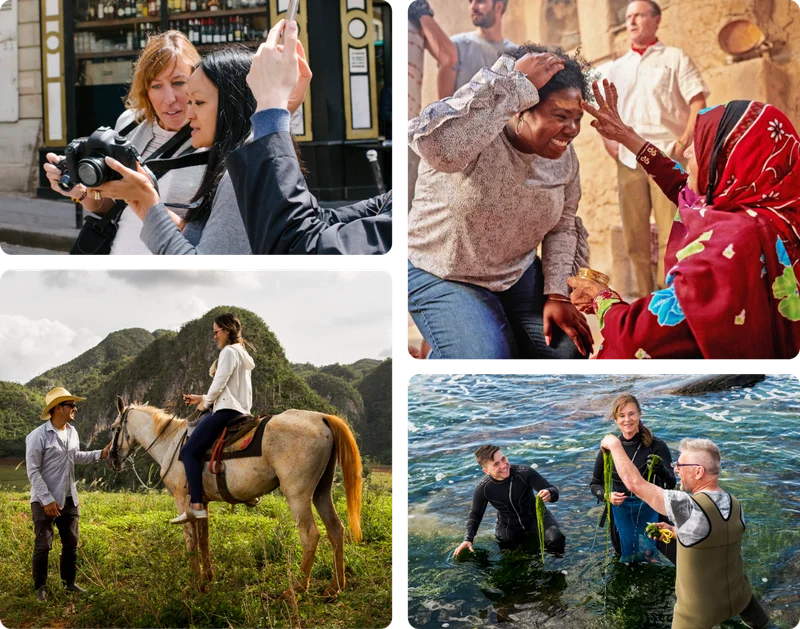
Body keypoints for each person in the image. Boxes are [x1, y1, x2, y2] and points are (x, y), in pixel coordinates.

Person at [570, 82, 800, 361]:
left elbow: (642, 337)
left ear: (725, 161)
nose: (688, 151)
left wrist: (602, 300)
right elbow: (685, 188)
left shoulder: (737, 238)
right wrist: (627, 136)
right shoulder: (775, 208)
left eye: (701, 144)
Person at [405, 45, 595, 361]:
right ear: (520, 108)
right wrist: (512, 82)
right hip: (441, 271)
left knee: (566, 355)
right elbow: (434, 145)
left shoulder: (564, 160)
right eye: (561, 116)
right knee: (486, 363)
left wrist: (557, 293)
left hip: (515, 274)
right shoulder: (475, 130)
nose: (572, 130)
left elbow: (563, 225)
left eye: (577, 119)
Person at [43, 31, 204, 256]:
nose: (169, 98)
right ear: (145, 90)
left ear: (197, 82)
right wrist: (80, 190)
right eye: (156, 86)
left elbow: (207, 239)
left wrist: (146, 199)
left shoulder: (211, 137)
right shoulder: (130, 122)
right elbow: (110, 207)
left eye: (178, 82)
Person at [96, 46, 265, 256]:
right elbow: (202, 238)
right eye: (156, 85)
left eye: (199, 102)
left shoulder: (242, 171)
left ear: (232, 103)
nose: (189, 112)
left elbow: (206, 271)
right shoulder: (129, 123)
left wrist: (150, 204)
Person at [601, 435, 769, 629]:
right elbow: (716, 538)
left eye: (681, 465)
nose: (675, 469)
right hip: (741, 598)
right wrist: (676, 531)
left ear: (698, 471)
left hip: (697, 616)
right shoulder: (736, 504)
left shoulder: (688, 506)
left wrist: (614, 444)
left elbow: (635, 484)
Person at [603, 0, 709, 295]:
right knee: (635, 235)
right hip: (627, 158)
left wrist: (685, 138)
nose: (632, 22)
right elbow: (605, 109)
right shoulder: (616, 67)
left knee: (670, 230)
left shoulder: (675, 58)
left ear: (656, 20)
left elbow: (697, 100)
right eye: (628, 17)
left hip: (665, 154)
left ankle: (671, 294)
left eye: (638, 15)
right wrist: (610, 141)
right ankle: (646, 298)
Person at [25, 387, 111, 601]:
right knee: (43, 545)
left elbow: (75, 456)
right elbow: (33, 470)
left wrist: (100, 454)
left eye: (74, 405)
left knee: (71, 542)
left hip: (69, 497)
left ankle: (69, 583)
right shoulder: (38, 436)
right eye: (71, 405)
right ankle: (40, 588)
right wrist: (47, 499)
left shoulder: (72, 432)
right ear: (57, 409)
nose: (75, 408)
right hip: (45, 499)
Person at [173, 313, 255, 523]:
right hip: (240, 410)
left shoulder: (228, 352)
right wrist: (201, 397)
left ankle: (197, 505)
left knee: (189, 451)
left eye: (216, 331)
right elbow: (229, 388)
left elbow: (218, 384)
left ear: (227, 331)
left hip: (226, 411)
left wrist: (205, 403)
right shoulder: (241, 353)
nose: (214, 336)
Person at [589, 393, 675, 563]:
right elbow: (595, 483)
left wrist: (661, 470)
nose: (627, 420)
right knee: (626, 558)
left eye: (631, 414)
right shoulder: (609, 449)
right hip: (621, 512)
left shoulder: (656, 446)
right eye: (621, 415)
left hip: (652, 509)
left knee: (661, 555)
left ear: (639, 414)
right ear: (615, 419)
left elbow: (671, 483)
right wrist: (606, 496)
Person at [454, 445, 565, 557]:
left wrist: (550, 493)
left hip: (535, 518)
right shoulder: (484, 488)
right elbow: (475, 515)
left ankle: (557, 565)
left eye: (503, 459)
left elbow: (552, 489)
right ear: (486, 471)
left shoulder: (525, 473)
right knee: (511, 555)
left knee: (555, 539)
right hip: (508, 527)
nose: (503, 465)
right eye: (496, 464)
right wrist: (468, 539)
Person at [405, 0, 457, 213]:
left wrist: (422, 13)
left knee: (405, 211)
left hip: (406, 127)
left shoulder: (414, 15)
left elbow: (449, 57)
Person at [437, 0, 517, 100]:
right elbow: (443, 107)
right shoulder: (456, 46)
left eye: (480, 1)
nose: (473, 7)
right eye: (470, 1)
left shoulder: (516, 54)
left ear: (498, 6)